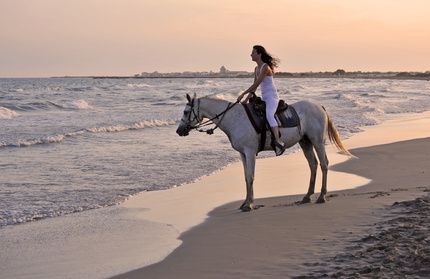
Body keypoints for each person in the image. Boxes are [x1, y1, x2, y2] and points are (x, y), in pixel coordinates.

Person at [237, 45, 286, 156]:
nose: (251, 54)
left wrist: (242, 94)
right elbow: (254, 88)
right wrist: (245, 100)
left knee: (269, 115)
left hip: (272, 98)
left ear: (259, 54)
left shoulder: (265, 67)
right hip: (264, 98)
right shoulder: (256, 69)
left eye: (253, 52)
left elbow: (257, 84)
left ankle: (278, 142)